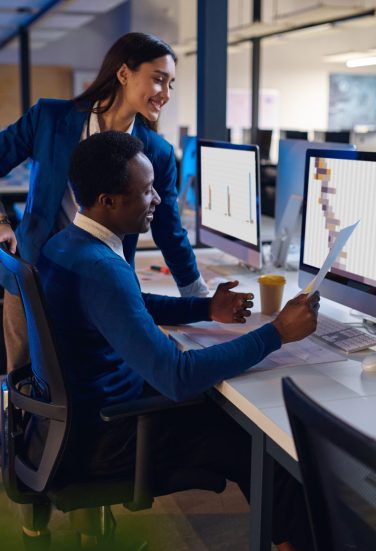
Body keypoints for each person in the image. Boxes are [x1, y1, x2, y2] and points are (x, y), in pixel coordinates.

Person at [34, 131, 319, 551]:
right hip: (109, 439)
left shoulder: (65, 245)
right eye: (147, 190)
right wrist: (276, 333)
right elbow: (177, 376)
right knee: (265, 448)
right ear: (108, 200)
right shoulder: (102, 267)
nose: (159, 200)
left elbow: (132, 304)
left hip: (76, 423)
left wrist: (204, 309)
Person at [0, 32, 207, 372]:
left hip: (103, 286)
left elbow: (169, 230)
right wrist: (2, 221)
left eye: (171, 84)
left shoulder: (157, 151)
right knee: (28, 384)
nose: (166, 94)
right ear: (124, 74)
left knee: (97, 385)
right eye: (158, 80)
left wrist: (198, 297)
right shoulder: (51, 119)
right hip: (34, 277)